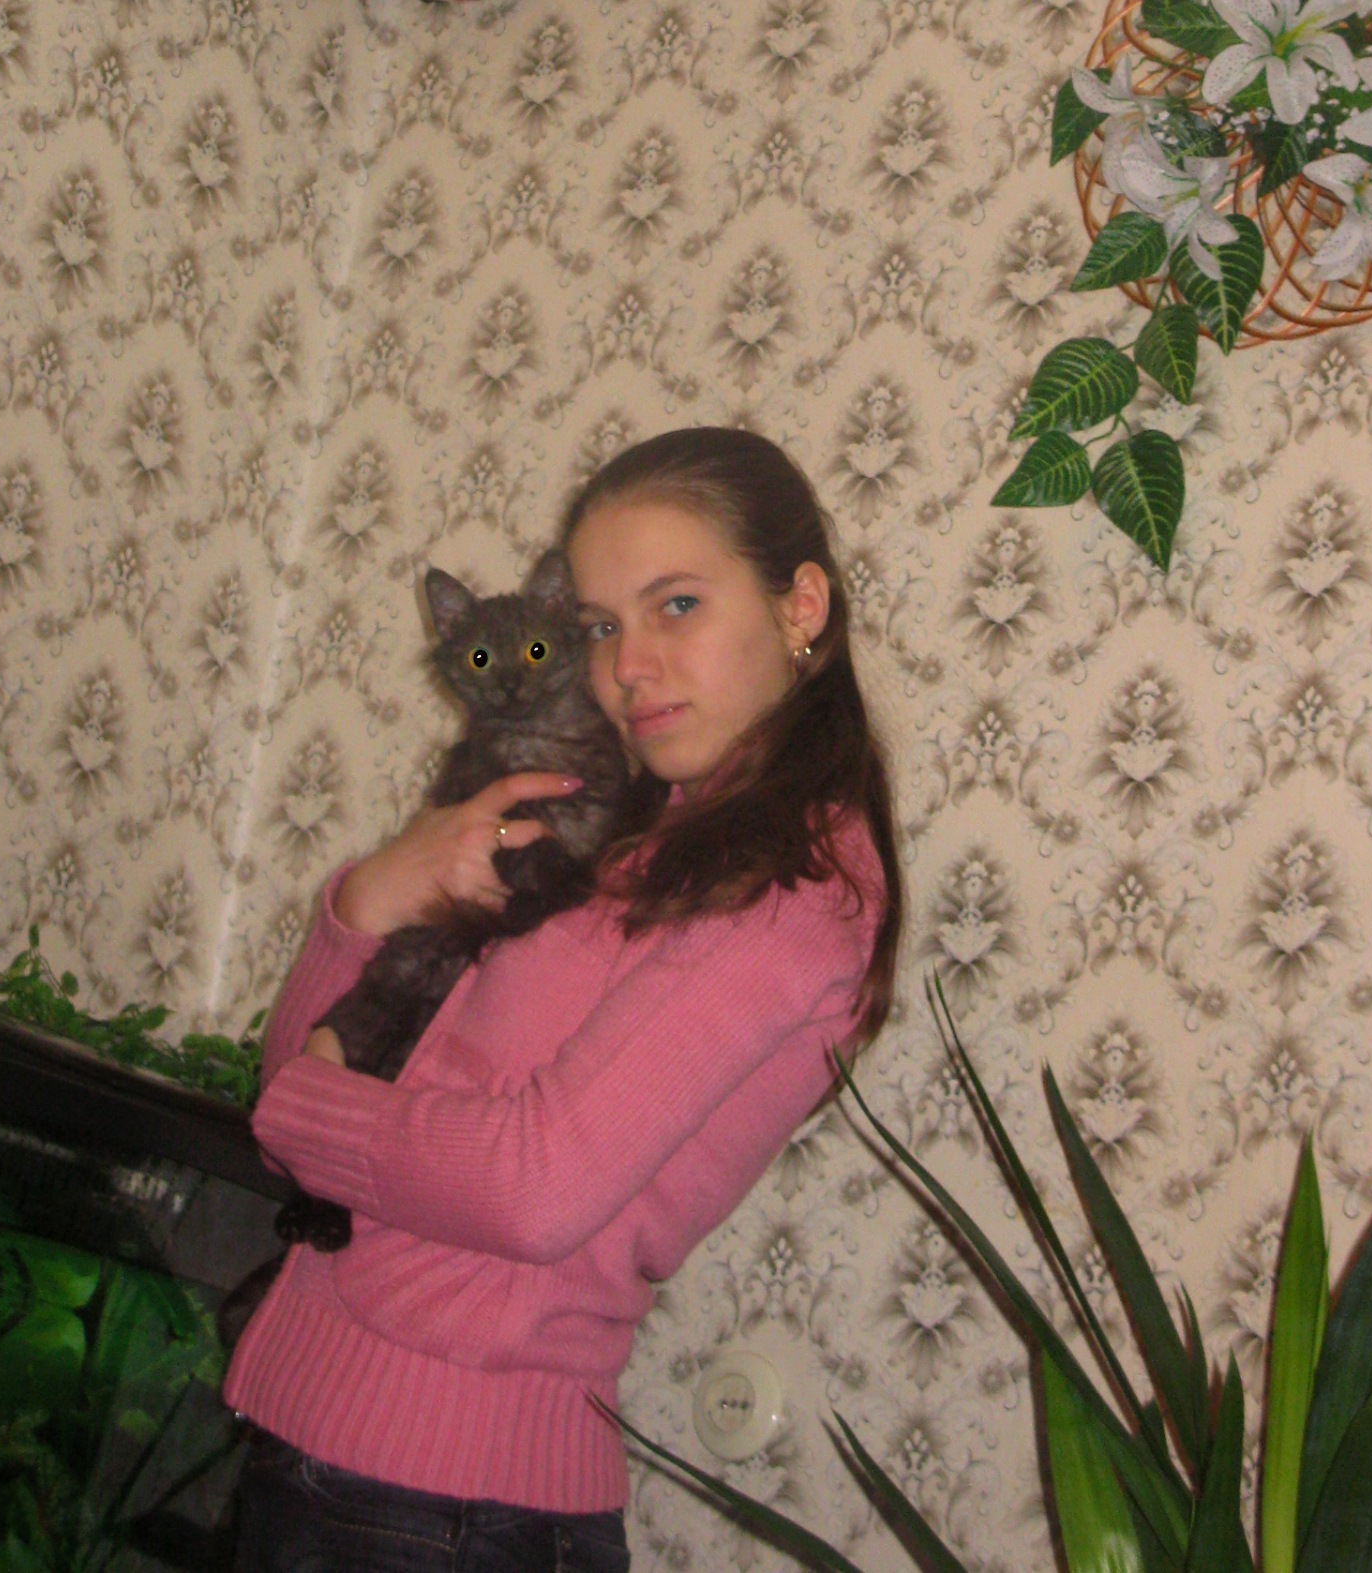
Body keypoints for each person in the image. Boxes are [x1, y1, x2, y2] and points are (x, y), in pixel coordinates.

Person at [225, 427, 904, 1572]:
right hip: (340, 1462)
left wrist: (296, 1106)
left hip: (435, 1506)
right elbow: (341, 1059)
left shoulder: (792, 887)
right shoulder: (639, 837)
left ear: (801, 606)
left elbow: (527, 1185)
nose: (627, 665)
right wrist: (370, 898)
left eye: (675, 604)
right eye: (599, 625)